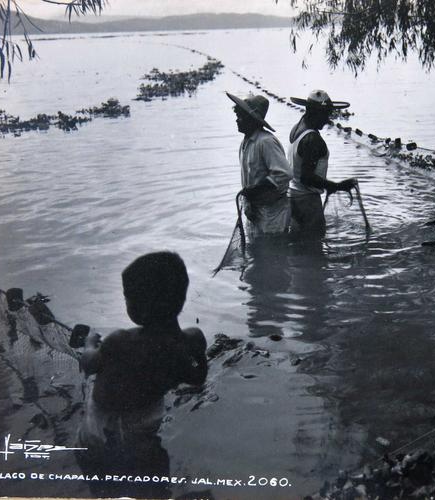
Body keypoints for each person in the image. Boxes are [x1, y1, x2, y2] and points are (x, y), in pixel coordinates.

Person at [76, 252, 207, 498]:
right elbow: (197, 378)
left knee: (101, 481)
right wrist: (199, 351)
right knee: (153, 481)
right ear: (181, 296)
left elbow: (89, 364)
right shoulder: (188, 342)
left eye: (127, 297)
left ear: (138, 306)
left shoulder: (119, 341)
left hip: (99, 431)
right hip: (143, 432)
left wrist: (90, 342)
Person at [287, 89, 358, 235]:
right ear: (313, 112)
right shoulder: (312, 139)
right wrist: (336, 186)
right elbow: (306, 177)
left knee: (299, 245)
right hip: (307, 202)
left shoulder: (297, 127)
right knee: (315, 245)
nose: (327, 119)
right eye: (325, 114)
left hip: (292, 197)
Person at [227, 92, 291, 236]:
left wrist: (255, 190)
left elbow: (284, 174)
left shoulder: (266, 142)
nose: (237, 120)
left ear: (251, 119)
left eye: (240, 117)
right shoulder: (245, 143)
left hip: (273, 213)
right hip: (255, 209)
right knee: (258, 249)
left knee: (273, 249)